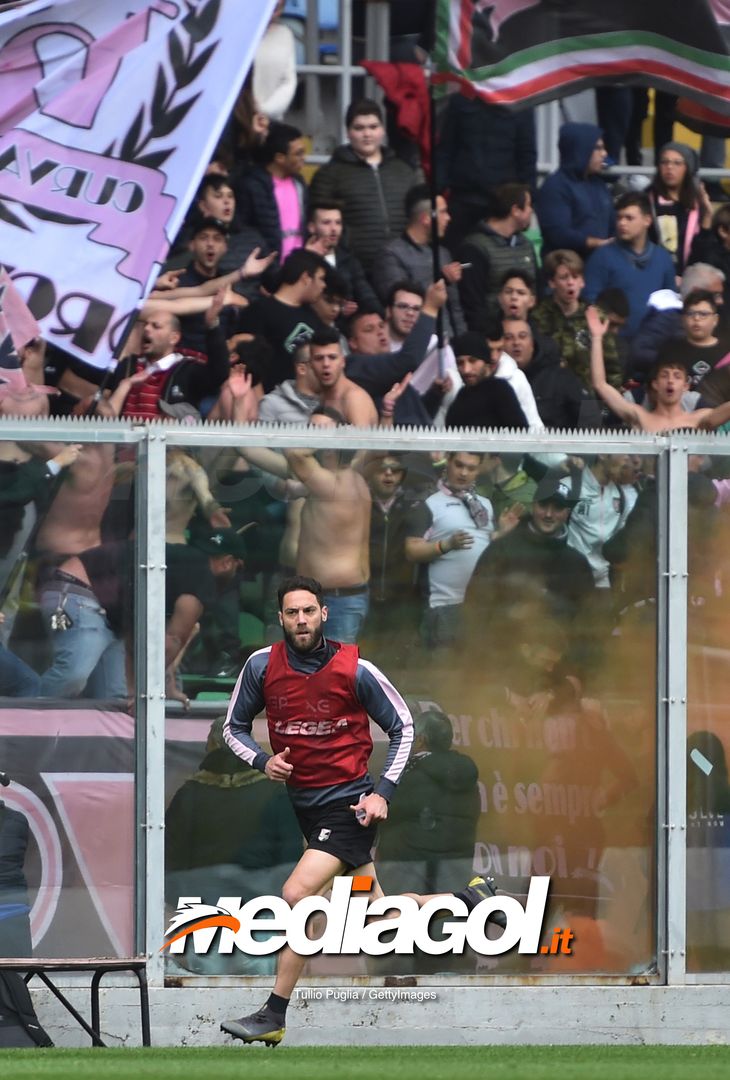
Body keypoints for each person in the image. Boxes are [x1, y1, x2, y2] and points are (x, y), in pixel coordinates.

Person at [220, 575, 499, 1045]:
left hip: (348, 807)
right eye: (292, 612)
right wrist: (264, 760)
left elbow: (404, 727)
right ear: (281, 619)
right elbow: (233, 728)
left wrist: (382, 793)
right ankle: (466, 901)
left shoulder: (356, 669)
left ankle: (274, 1012)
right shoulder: (261, 665)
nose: (302, 619)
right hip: (307, 810)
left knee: (297, 893)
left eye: (309, 611)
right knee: (376, 917)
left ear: (324, 613)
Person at [309, 99, 416, 274]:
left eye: (373, 127)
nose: (367, 134)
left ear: (382, 130)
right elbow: (318, 222)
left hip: (401, 265)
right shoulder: (330, 174)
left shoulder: (403, 171)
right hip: (353, 267)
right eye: (359, 128)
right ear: (348, 132)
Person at [588, 304, 730, 433]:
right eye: (664, 375)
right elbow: (600, 384)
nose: (670, 380)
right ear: (655, 384)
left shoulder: (699, 419)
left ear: (686, 385)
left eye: (677, 376)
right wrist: (596, 338)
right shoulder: (640, 417)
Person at [405, 451, 495, 648]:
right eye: (459, 465)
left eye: (471, 468)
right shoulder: (430, 504)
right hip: (443, 605)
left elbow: (487, 548)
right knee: (442, 672)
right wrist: (446, 545)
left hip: (479, 606)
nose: (463, 473)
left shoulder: (485, 506)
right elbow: (411, 551)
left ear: (478, 471)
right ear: (448, 465)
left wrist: (503, 532)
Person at [375, 184, 466, 336]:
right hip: (416, 344)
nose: (448, 218)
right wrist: (441, 279)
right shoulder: (391, 254)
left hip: (448, 343)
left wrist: (463, 342)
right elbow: (401, 303)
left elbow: (455, 308)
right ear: (426, 218)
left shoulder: (443, 253)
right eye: (443, 212)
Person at [583, 192, 676, 340]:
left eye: (629, 218)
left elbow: (671, 306)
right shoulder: (601, 257)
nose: (622, 223)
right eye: (619, 217)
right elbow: (590, 301)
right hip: (613, 344)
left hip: (653, 344)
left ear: (647, 220)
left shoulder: (663, 258)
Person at [532, 249, 624, 391]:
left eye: (575, 277)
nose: (571, 283)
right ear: (552, 282)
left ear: (582, 282)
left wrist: (605, 407)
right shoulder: (538, 316)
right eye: (564, 277)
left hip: (588, 401)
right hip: (552, 399)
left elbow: (612, 367)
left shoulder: (596, 316)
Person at [457, 183, 537, 330]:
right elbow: (473, 303)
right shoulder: (474, 247)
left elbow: (536, 288)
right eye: (528, 205)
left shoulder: (527, 245)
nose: (531, 210)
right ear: (515, 211)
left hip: (526, 333)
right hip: (491, 336)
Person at [534, 123, 614, 261]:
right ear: (581, 149)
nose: (604, 154)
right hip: (566, 270)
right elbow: (558, 234)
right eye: (598, 148)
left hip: (601, 266)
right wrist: (598, 243)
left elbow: (612, 222)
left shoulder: (599, 184)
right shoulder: (554, 187)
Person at [236, 122, 308, 261]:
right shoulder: (252, 186)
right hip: (265, 270)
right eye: (298, 154)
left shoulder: (299, 184)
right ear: (280, 158)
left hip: (297, 271)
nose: (303, 158)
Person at [647, 142, 714, 275]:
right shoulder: (647, 200)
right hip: (655, 276)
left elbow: (704, 251)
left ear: (688, 168)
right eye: (664, 162)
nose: (669, 167)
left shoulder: (697, 203)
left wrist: (707, 216)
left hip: (690, 277)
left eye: (677, 163)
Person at [444, 328, 530, 430]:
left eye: (473, 361)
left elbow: (520, 434)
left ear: (485, 362)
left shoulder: (499, 390)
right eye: (460, 363)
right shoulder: (461, 397)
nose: (466, 370)